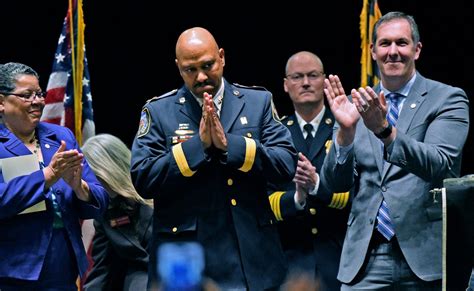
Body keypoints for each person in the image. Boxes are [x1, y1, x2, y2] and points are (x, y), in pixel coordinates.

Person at [130, 27, 298, 290]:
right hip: (188, 261)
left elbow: (286, 164)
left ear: (221, 57)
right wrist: (199, 147)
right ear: (178, 67)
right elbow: (143, 178)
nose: (200, 76)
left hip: (252, 256)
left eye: (208, 65)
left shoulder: (257, 102)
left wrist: (230, 145)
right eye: (189, 69)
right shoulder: (158, 111)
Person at [322, 11, 470, 290]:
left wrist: (385, 132)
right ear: (372, 50)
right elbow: (334, 184)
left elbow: (441, 163)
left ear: (417, 49)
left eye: (401, 43)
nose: (393, 52)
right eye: (385, 43)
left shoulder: (447, 98)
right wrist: (345, 133)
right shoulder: (356, 104)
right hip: (364, 259)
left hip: (425, 257)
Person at [0, 62, 108, 290]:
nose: (38, 102)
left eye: (39, 94)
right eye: (27, 95)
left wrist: (80, 187)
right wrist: (48, 175)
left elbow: (100, 198)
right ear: (1, 102)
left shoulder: (60, 137)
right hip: (14, 270)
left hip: (63, 264)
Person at [269, 51, 349, 291]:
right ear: (285, 84)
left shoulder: (344, 127)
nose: (305, 82)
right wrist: (297, 198)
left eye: (313, 75)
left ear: (325, 81)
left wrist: (316, 185)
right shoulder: (275, 133)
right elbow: (263, 200)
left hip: (339, 258)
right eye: (297, 77)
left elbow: (357, 193)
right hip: (290, 262)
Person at [81, 133, 153, 291]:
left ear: (109, 170)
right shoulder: (104, 213)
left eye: (93, 178)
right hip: (140, 280)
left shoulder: (155, 184)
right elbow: (102, 269)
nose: (89, 186)